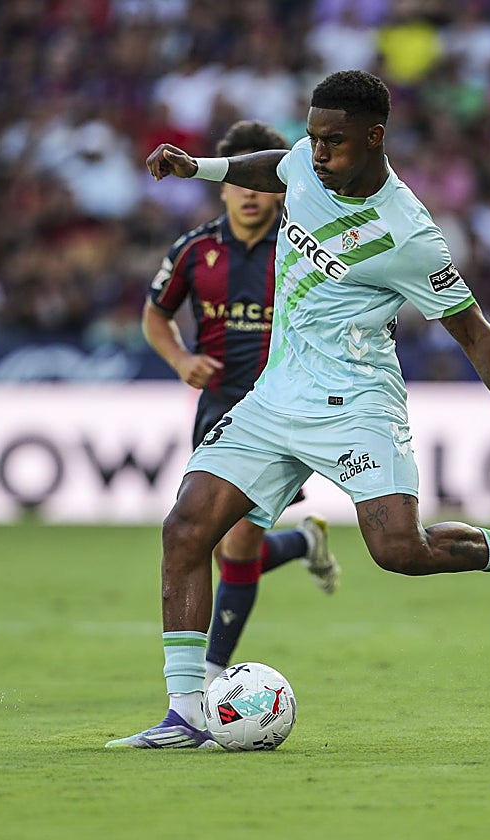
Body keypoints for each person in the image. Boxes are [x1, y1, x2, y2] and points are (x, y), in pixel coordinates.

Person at [107, 70, 490, 749]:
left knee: (399, 550)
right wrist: (201, 167)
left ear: (374, 138)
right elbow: (275, 165)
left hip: (356, 403)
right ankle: (186, 714)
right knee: (186, 529)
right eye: (312, 137)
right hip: (275, 395)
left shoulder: (409, 234)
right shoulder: (305, 165)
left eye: (333, 142)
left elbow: (475, 335)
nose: (317, 153)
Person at [141, 119, 342, 689]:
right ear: (223, 187)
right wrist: (181, 360)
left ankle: (210, 676)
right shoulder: (195, 249)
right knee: (218, 544)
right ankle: (303, 541)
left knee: (238, 541)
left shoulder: (304, 247)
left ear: (279, 190)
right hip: (218, 407)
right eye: (240, 183)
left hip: (283, 408)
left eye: (262, 184)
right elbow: (155, 315)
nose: (251, 195)